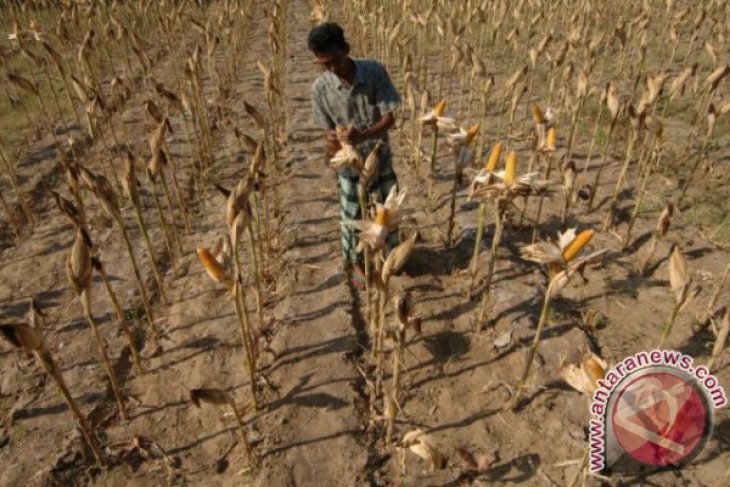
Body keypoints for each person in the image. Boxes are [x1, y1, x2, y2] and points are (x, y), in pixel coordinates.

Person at [308, 22, 401, 287]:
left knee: (388, 210)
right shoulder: (320, 89)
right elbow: (327, 130)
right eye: (324, 64)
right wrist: (335, 138)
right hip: (349, 165)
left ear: (346, 49)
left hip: (379, 157)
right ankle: (357, 262)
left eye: (335, 61)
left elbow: (389, 118)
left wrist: (363, 135)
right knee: (352, 215)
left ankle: (391, 256)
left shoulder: (373, 72)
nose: (332, 69)